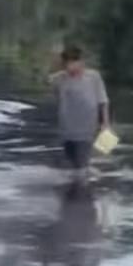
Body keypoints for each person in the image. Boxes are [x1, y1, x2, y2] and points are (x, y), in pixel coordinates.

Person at [50, 45, 110, 176]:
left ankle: (85, 187)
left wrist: (105, 124)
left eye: (72, 62)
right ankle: (86, 179)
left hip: (87, 129)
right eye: (66, 63)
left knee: (81, 166)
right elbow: (52, 88)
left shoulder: (94, 77)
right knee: (73, 163)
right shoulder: (59, 79)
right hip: (67, 129)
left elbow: (103, 101)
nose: (69, 66)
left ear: (81, 62)